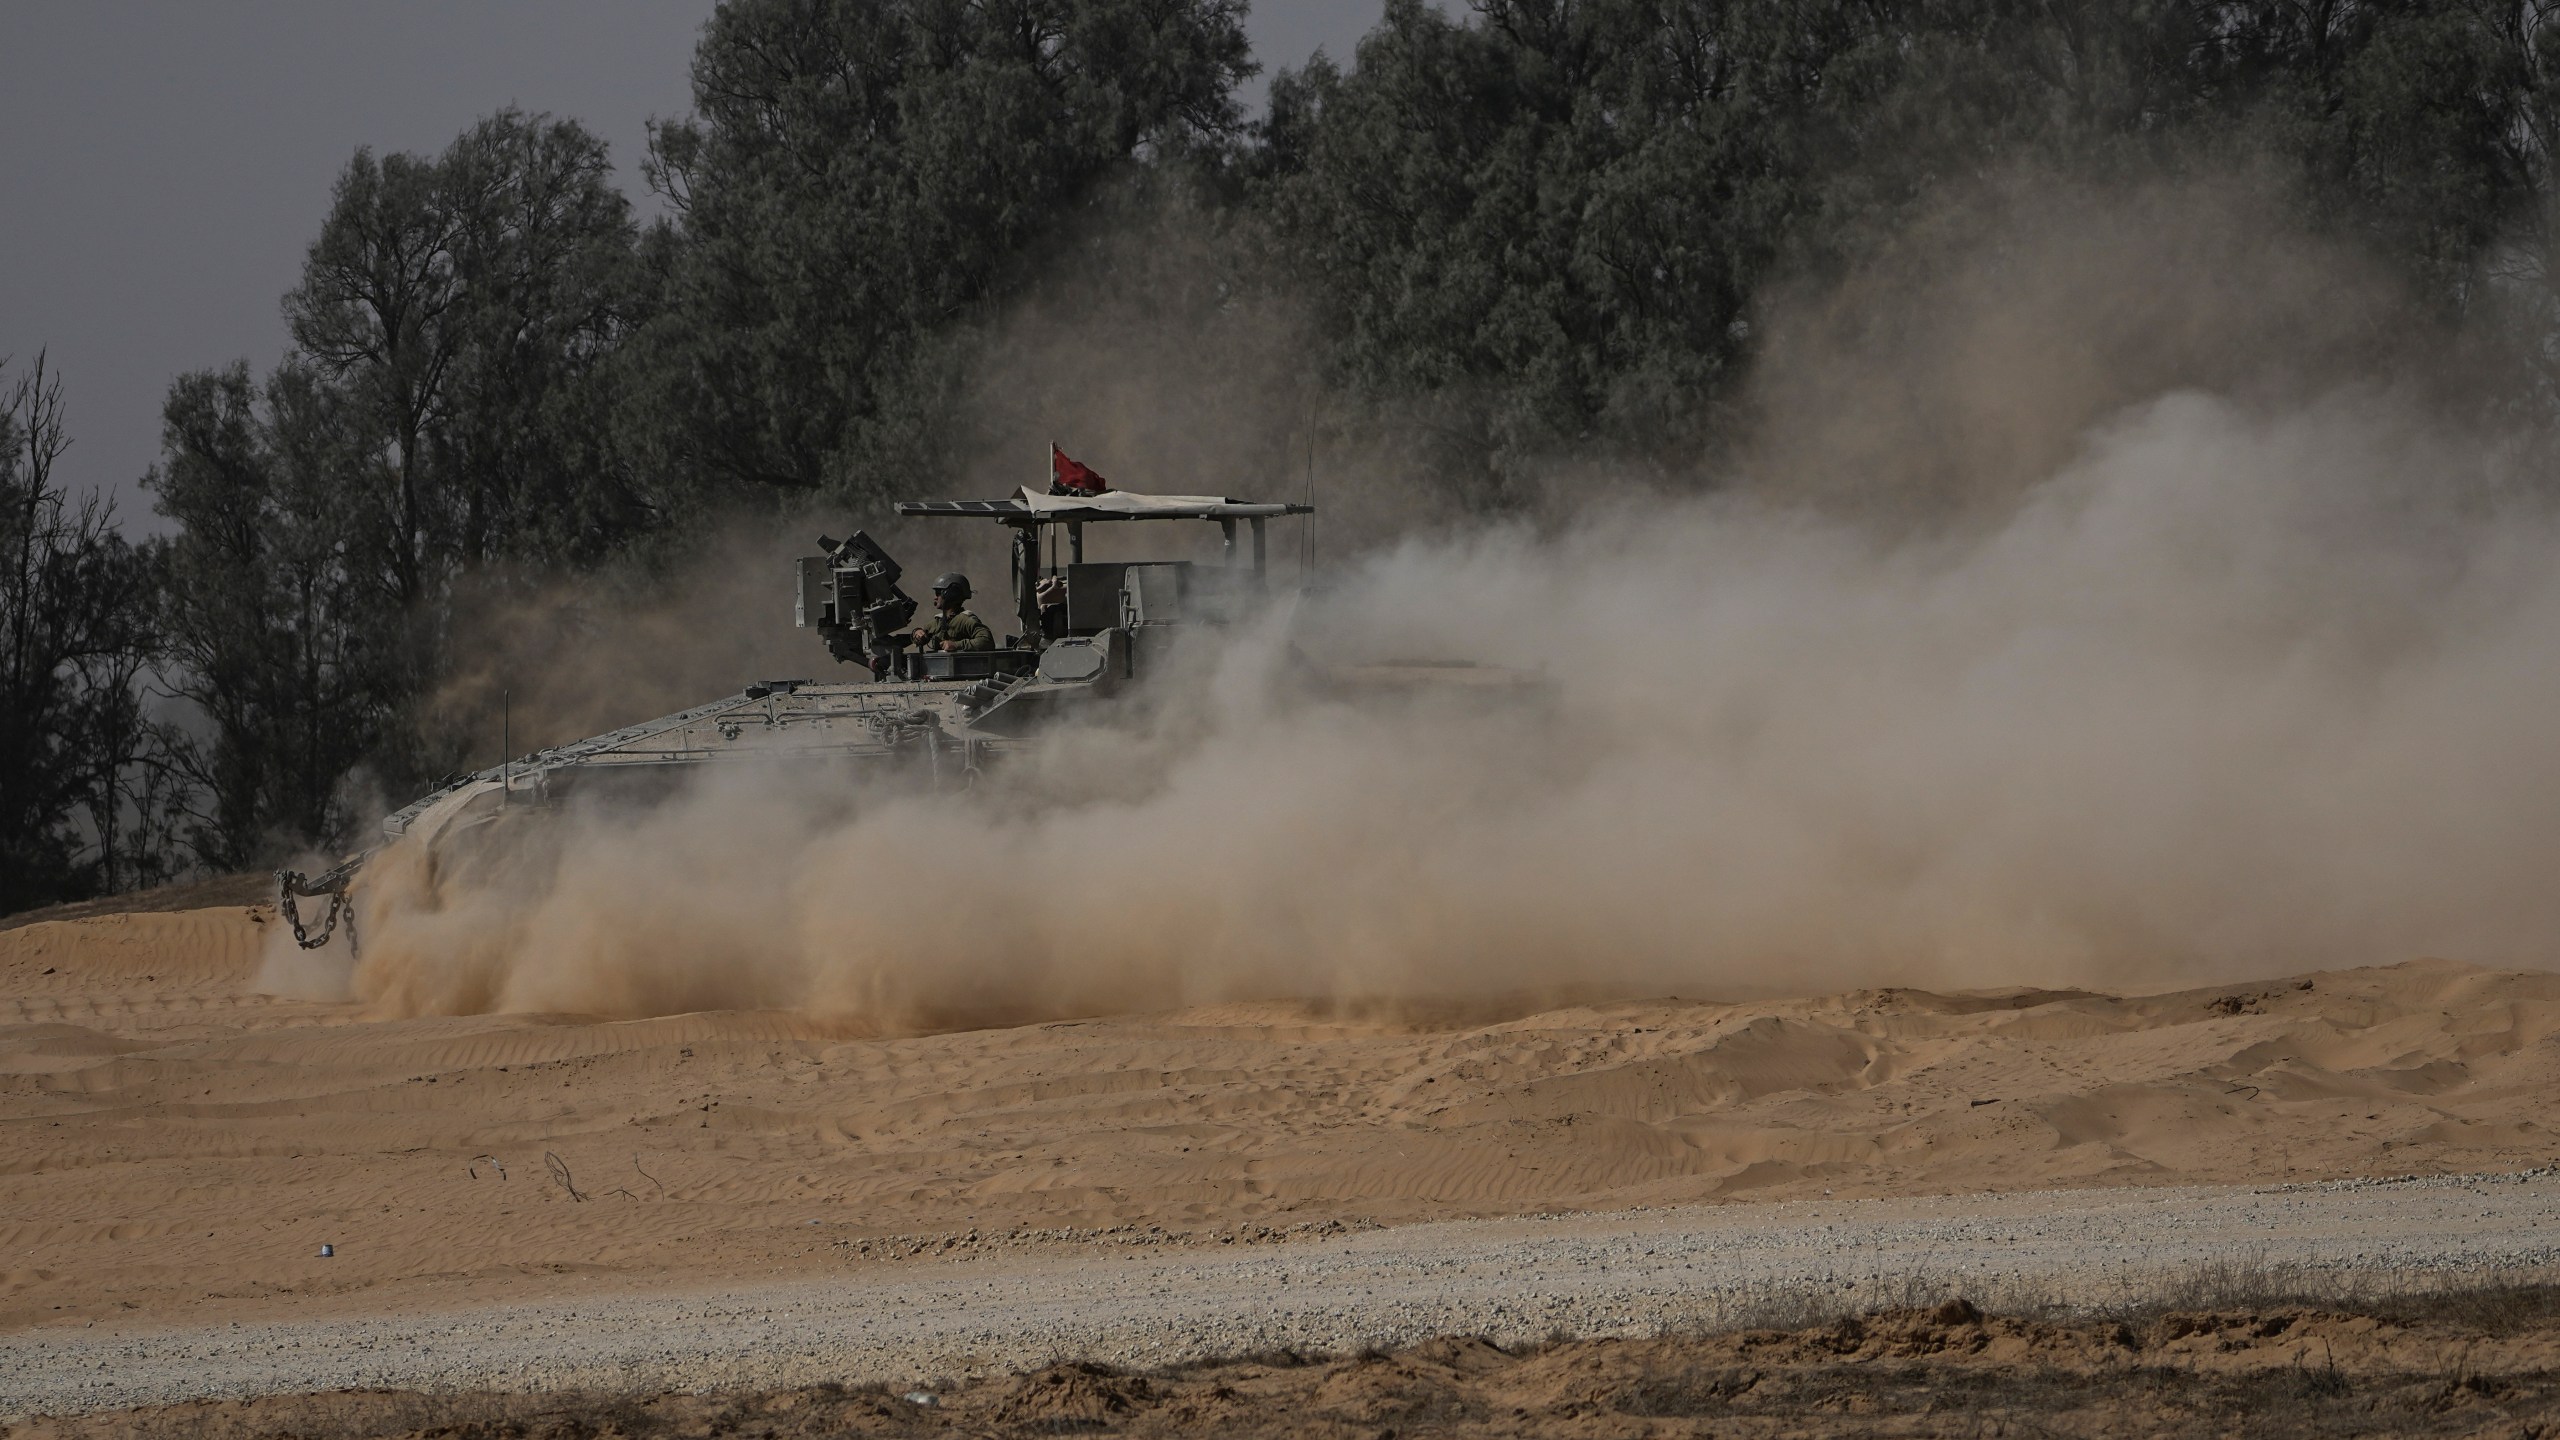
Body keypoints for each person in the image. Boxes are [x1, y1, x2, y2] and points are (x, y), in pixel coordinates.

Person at [910, 572, 995, 652]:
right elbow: (919, 635)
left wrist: (956, 645)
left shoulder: (966, 620)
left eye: (938, 593)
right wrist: (917, 633)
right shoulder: (937, 622)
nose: (935, 597)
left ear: (950, 594)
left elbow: (987, 641)